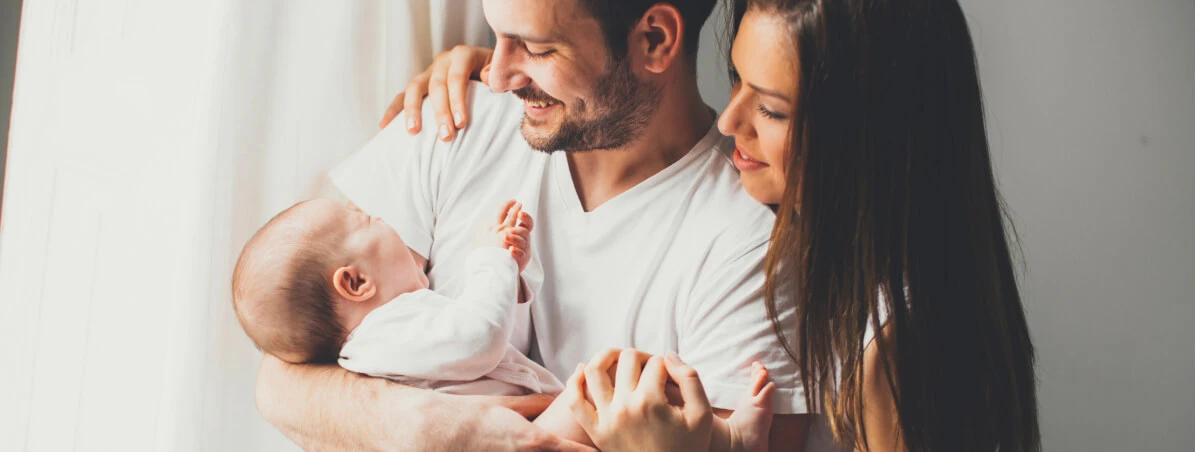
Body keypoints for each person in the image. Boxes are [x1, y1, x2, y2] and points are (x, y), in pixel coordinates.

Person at [399, 0, 1043, 450]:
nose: (730, 122)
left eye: (771, 108)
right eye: (737, 79)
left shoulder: (894, 353)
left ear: (866, 135)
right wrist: (532, 65)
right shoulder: (816, 255)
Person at [253, 1, 815, 450]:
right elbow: (278, 380)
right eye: (497, 34)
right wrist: (429, 429)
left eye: (537, 47)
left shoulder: (751, 249)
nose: (495, 73)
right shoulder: (454, 118)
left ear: (655, 40)